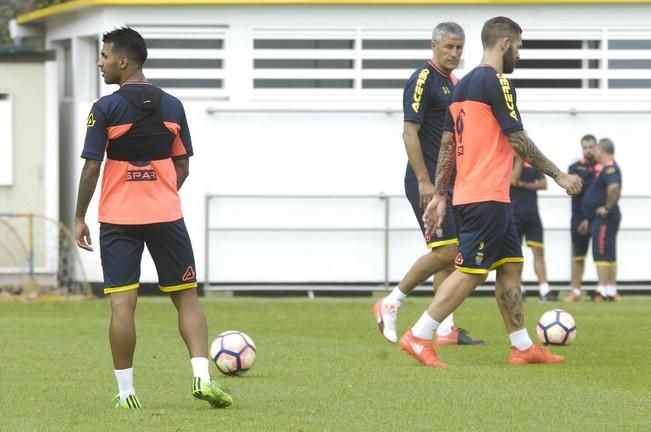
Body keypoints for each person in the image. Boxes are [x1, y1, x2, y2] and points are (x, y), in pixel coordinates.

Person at [398, 16, 582, 368]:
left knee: (511, 265)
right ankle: (420, 335)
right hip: (485, 196)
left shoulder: (461, 84)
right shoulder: (497, 83)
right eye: (520, 47)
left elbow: (448, 144)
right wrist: (559, 174)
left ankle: (522, 345)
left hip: (476, 194)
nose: (520, 55)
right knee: (472, 271)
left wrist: (439, 195)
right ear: (505, 44)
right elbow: (518, 139)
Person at [73, 27, 232, 409]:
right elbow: (183, 165)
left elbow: (92, 169)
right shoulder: (173, 106)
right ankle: (201, 377)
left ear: (123, 62)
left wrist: (79, 216)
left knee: (122, 306)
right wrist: (159, 194)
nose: (100, 62)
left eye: (104, 55)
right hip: (166, 216)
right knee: (187, 299)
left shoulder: (105, 108)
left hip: (118, 220)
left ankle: (127, 394)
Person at [373, 22, 484, 346]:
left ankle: (446, 328)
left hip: (448, 185)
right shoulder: (422, 78)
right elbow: (409, 132)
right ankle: (391, 301)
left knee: (451, 253)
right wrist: (424, 182)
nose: (454, 53)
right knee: (448, 250)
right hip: (425, 182)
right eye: (448, 46)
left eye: (459, 47)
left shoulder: (453, 82)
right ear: (433, 46)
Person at [582, 138, 622, 302]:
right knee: (609, 254)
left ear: (603, 151)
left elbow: (614, 188)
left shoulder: (610, 169)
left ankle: (602, 291)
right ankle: (611, 291)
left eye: (597, 149)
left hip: (604, 218)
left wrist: (607, 207)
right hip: (601, 218)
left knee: (602, 253)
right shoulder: (607, 169)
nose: (595, 153)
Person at [510, 158, 555, 301]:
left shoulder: (532, 162)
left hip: (532, 215)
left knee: (539, 252)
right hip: (514, 214)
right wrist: (517, 159)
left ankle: (544, 290)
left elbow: (544, 184)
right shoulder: (508, 161)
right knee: (515, 255)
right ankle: (519, 289)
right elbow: (513, 181)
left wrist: (524, 185)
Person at [564, 134, 600, 302]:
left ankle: (603, 291)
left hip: (598, 217)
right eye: (585, 147)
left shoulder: (603, 168)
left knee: (602, 254)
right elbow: (574, 190)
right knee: (578, 255)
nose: (588, 150)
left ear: (597, 146)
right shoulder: (574, 168)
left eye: (591, 147)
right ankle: (576, 292)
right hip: (578, 217)